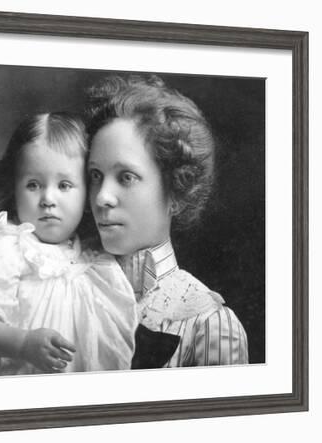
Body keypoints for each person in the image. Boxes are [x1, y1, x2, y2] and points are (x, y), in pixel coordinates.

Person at [0, 112, 137, 377]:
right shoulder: (2, 248)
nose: (48, 199)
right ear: (14, 188)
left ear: (87, 193)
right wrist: (23, 343)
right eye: (33, 185)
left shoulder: (97, 260)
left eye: (65, 185)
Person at [85, 75, 249, 368]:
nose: (102, 197)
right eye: (96, 175)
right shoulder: (63, 285)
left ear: (176, 191)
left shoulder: (206, 323)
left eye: (126, 177)